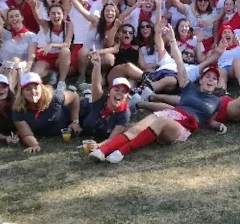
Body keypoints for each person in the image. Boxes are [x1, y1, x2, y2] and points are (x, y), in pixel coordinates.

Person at [87, 64, 226, 164]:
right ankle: (103, 150)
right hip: (172, 113)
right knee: (136, 128)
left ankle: (122, 151)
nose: (210, 80)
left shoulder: (216, 101)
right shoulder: (190, 89)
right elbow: (180, 65)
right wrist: (172, 41)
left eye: (214, 78)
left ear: (217, 83)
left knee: (162, 121)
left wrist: (217, 124)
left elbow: (208, 120)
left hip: (184, 126)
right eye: (207, 76)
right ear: (201, 80)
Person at [11, 72, 82, 153]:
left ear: (42, 88)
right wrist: (34, 145)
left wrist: (74, 121)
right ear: (22, 92)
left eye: (36, 88)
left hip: (68, 123)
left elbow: (74, 97)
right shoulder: (18, 109)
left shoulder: (55, 97)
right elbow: (26, 134)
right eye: (28, 89)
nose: (33, 92)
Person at [79, 55, 132, 147]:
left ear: (126, 97)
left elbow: (112, 139)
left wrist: (98, 145)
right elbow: (96, 83)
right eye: (116, 89)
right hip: (85, 110)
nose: (120, 93)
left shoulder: (124, 114)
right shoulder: (101, 99)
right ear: (109, 91)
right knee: (84, 102)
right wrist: (97, 66)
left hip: (94, 132)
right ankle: (87, 95)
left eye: (124, 92)